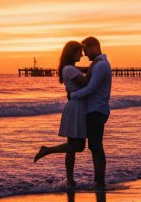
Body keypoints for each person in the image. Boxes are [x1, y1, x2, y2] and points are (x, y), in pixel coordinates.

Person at [34, 40, 89, 188]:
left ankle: (70, 180)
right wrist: (95, 68)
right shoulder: (69, 69)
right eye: (79, 52)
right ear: (72, 53)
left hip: (75, 106)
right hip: (76, 107)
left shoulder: (68, 68)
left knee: (71, 147)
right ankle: (48, 150)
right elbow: (85, 83)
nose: (82, 55)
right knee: (79, 146)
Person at [69, 36, 111, 189]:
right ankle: (98, 180)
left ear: (93, 46)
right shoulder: (99, 64)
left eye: (86, 50)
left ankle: (99, 182)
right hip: (96, 109)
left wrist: (73, 95)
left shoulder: (100, 66)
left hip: (96, 110)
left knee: (96, 146)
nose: (85, 54)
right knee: (94, 146)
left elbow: (91, 88)